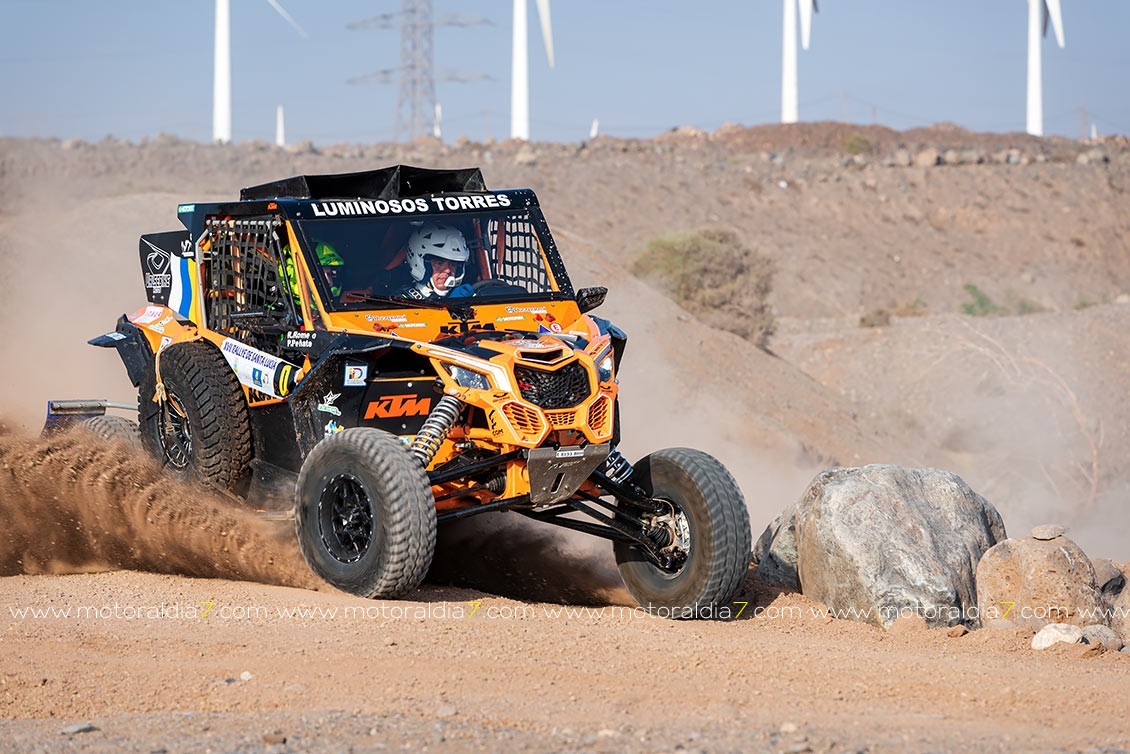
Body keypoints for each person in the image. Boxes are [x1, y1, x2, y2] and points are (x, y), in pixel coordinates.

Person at [401, 222, 475, 300]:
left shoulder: (468, 296)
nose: (448, 270)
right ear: (419, 263)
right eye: (439, 263)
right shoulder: (401, 302)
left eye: (453, 264)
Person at [280, 240, 345, 304]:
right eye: (320, 275)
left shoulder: (345, 308)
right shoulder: (279, 310)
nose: (329, 281)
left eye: (330, 274)